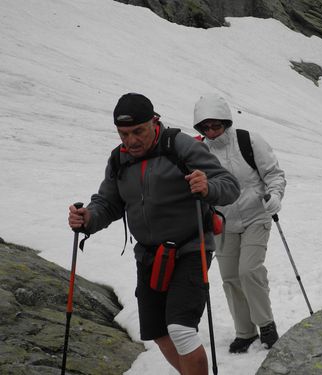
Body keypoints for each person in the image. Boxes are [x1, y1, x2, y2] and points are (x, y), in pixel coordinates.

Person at [68, 93, 240, 375]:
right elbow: (108, 203)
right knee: (158, 332)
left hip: (191, 248)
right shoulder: (119, 159)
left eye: (138, 131)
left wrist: (208, 186)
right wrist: (87, 218)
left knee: (181, 329)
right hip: (149, 255)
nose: (131, 141)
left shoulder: (179, 146)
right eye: (123, 134)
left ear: (154, 122)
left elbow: (229, 185)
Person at [192, 93, 286, 353]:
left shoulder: (248, 141)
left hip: (256, 215)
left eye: (216, 125)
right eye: (205, 127)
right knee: (230, 277)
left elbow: (274, 174)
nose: (211, 132)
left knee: (249, 270)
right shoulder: (198, 150)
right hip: (222, 222)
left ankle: (266, 324)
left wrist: (275, 195)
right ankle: (244, 332)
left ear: (226, 122)